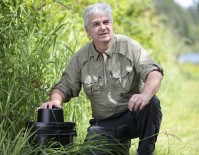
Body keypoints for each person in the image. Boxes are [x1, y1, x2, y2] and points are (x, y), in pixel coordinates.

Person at [38, 2, 163, 155]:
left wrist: (145, 94)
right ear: (87, 30)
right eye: (96, 24)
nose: (103, 27)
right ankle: (118, 147)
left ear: (112, 24)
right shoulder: (80, 58)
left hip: (133, 116)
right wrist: (55, 101)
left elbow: (154, 73)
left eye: (106, 22)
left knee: (152, 103)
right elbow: (64, 86)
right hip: (103, 125)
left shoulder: (129, 46)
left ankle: (145, 152)